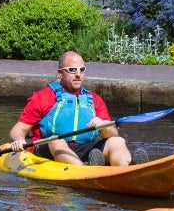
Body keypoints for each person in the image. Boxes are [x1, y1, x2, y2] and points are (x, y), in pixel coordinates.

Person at [7, 51, 143, 166]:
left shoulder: (94, 100)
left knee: (117, 141)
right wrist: (19, 139)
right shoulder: (43, 97)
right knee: (56, 140)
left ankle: (128, 169)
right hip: (49, 148)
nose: (78, 74)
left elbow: (113, 133)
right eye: (72, 70)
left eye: (81, 70)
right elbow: (17, 130)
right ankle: (84, 170)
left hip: (83, 148)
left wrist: (104, 126)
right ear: (60, 73)